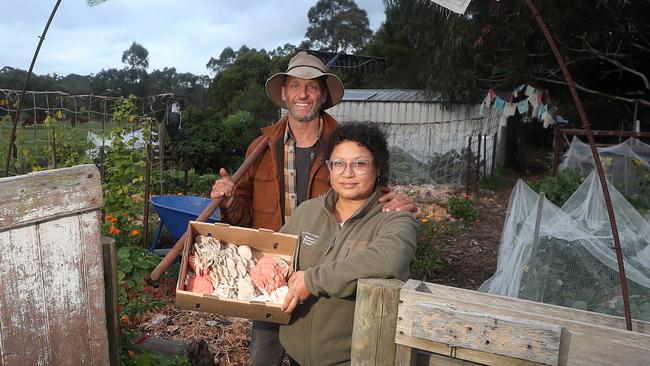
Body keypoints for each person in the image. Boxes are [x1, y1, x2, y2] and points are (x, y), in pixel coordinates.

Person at [210, 51, 416, 366]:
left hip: (328, 277)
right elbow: (245, 215)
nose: (302, 94)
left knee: (320, 346)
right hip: (276, 271)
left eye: (311, 86)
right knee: (265, 355)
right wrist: (230, 203)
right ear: (284, 94)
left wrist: (400, 205)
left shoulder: (344, 143)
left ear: (323, 94)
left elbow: (375, 198)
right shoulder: (262, 147)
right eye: (294, 86)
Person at [279, 122, 418, 365]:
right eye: (338, 163)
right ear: (329, 168)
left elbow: (388, 259)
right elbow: (275, 253)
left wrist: (313, 281)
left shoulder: (395, 218)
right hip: (295, 354)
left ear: (379, 167)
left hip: (354, 357)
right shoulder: (307, 212)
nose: (347, 173)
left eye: (360, 164)